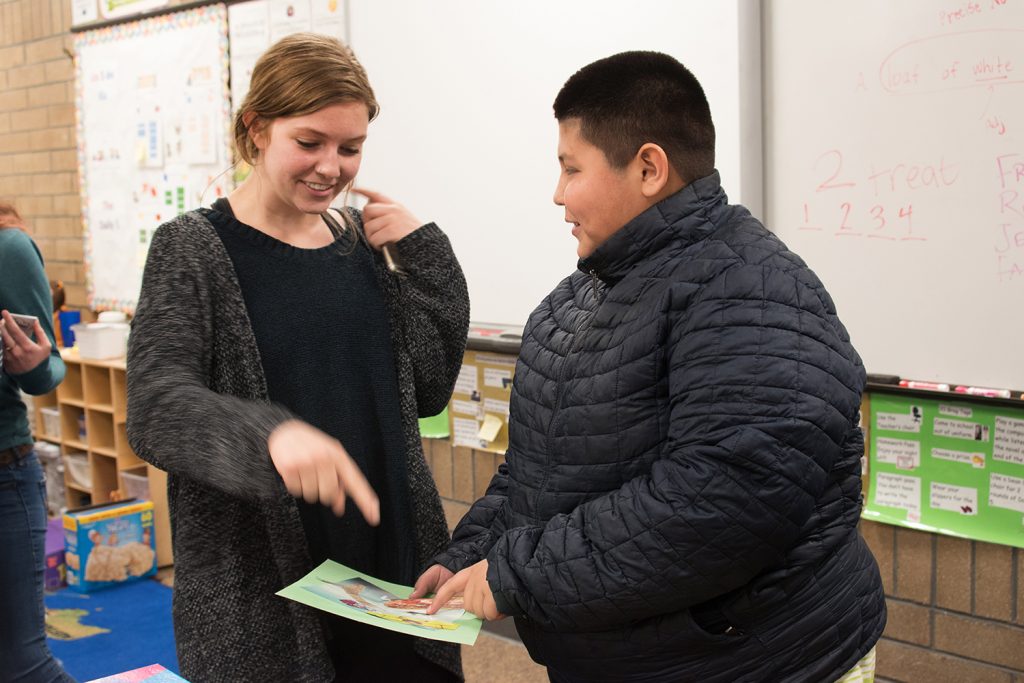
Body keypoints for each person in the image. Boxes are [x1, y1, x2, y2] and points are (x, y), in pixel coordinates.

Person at [420, 52, 886, 682]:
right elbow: (539, 468)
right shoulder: (583, 294)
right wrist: (472, 553)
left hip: (755, 661)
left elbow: (720, 503)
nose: (557, 194)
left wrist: (518, 572)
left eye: (571, 168)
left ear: (647, 167)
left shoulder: (751, 288)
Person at [126, 34, 469, 682]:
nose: (331, 167)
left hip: (389, 583)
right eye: (309, 142)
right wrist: (270, 437)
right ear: (256, 129)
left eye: (351, 147)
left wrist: (427, 257)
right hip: (269, 604)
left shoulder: (356, 245)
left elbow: (426, 388)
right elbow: (155, 405)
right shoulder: (193, 249)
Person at [0, 202, 75, 683]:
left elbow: (47, 369)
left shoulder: (8, 249)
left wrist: (32, 364)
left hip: (4, 472)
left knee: (22, 664)